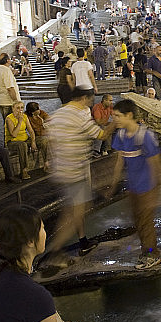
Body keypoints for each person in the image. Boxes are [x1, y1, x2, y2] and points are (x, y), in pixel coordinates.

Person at [45, 88, 114, 267]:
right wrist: (116, 122)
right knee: (75, 211)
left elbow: (50, 141)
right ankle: (55, 252)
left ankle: (83, 241)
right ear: (84, 98)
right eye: (90, 100)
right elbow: (102, 134)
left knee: (76, 208)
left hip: (63, 169)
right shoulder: (80, 116)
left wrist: (51, 160)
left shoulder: (57, 114)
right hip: (75, 171)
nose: (91, 104)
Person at [108, 100, 161, 270]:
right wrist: (113, 185)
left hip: (147, 187)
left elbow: (156, 163)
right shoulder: (121, 135)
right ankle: (146, 251)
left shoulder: (144, 136)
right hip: (133, 187)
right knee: (138, 221)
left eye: (118, 116)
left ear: (129, 115)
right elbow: (119, 161)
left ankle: (152, 254)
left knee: (146, 223)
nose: (115, 119)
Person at [4, 101, 39, 180]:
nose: (20, 110)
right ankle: (24, 170)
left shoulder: (25, 116)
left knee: (43, 140)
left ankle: (47, 163)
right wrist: (19, 122)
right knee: (22, 145)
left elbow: (31, 131)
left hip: (25, 139)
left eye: (21, 108)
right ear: (13, 109)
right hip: (13, 142)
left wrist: (33, 142)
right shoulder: (9, 118)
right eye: (17, 108)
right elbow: (14, 134)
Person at [0, 53, 21, 120]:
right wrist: (16, 101)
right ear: (8, 60)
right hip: (9, 101)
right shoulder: (6, 70)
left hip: (0, 100)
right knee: (12, 124)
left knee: (6, 123)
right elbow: (10, 88)